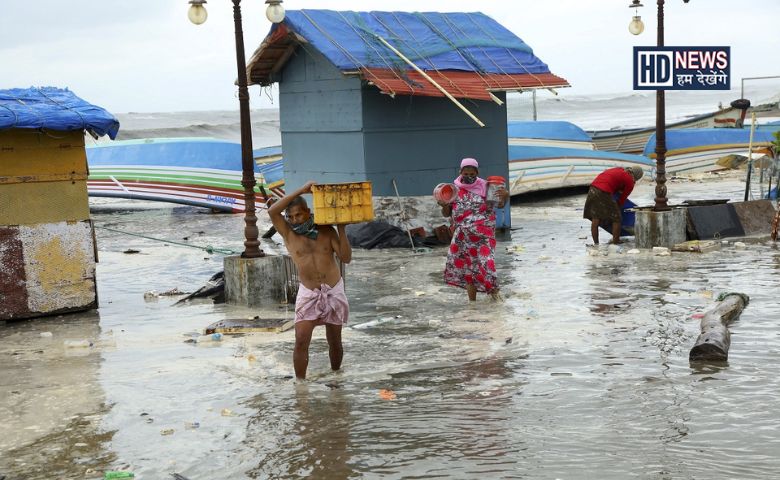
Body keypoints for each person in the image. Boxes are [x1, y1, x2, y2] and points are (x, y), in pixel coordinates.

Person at [267, 181, 352, 380]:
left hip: (333, 290)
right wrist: (301, 189)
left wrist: (341, 228)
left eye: (299, 215)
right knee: (301, 339)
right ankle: (301, 386)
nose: (295, 220)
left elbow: (346, 258)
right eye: (291, 217)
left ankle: (336, 378)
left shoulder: (326, 231)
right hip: (308, 292)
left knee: (335, 341)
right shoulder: (288, 233)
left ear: (307, 212)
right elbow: (272, 211)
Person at [439, 158, 509, 301]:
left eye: (472, 174)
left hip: (483, 236)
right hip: (463, 237)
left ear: (477, 173)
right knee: (468, 270)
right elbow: (447, 213)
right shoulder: (453, 189)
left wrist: (506, 196)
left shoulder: (487, 187)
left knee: (487, 264)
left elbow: (499, 205)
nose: (469, 176)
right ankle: (472, 304)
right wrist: (444, 204)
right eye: (466, 173)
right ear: (460, 172)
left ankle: (496, 298)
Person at [583, 166, 644, 245]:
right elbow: (622, 199)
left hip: (593, 188)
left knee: (596, 218)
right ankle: (616, 241)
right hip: (604, 191)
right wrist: (616, 210)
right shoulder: (630, 181)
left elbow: (612, 180)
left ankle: (596, 243)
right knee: (617, 218)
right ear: (636, 176)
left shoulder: (620, 169)